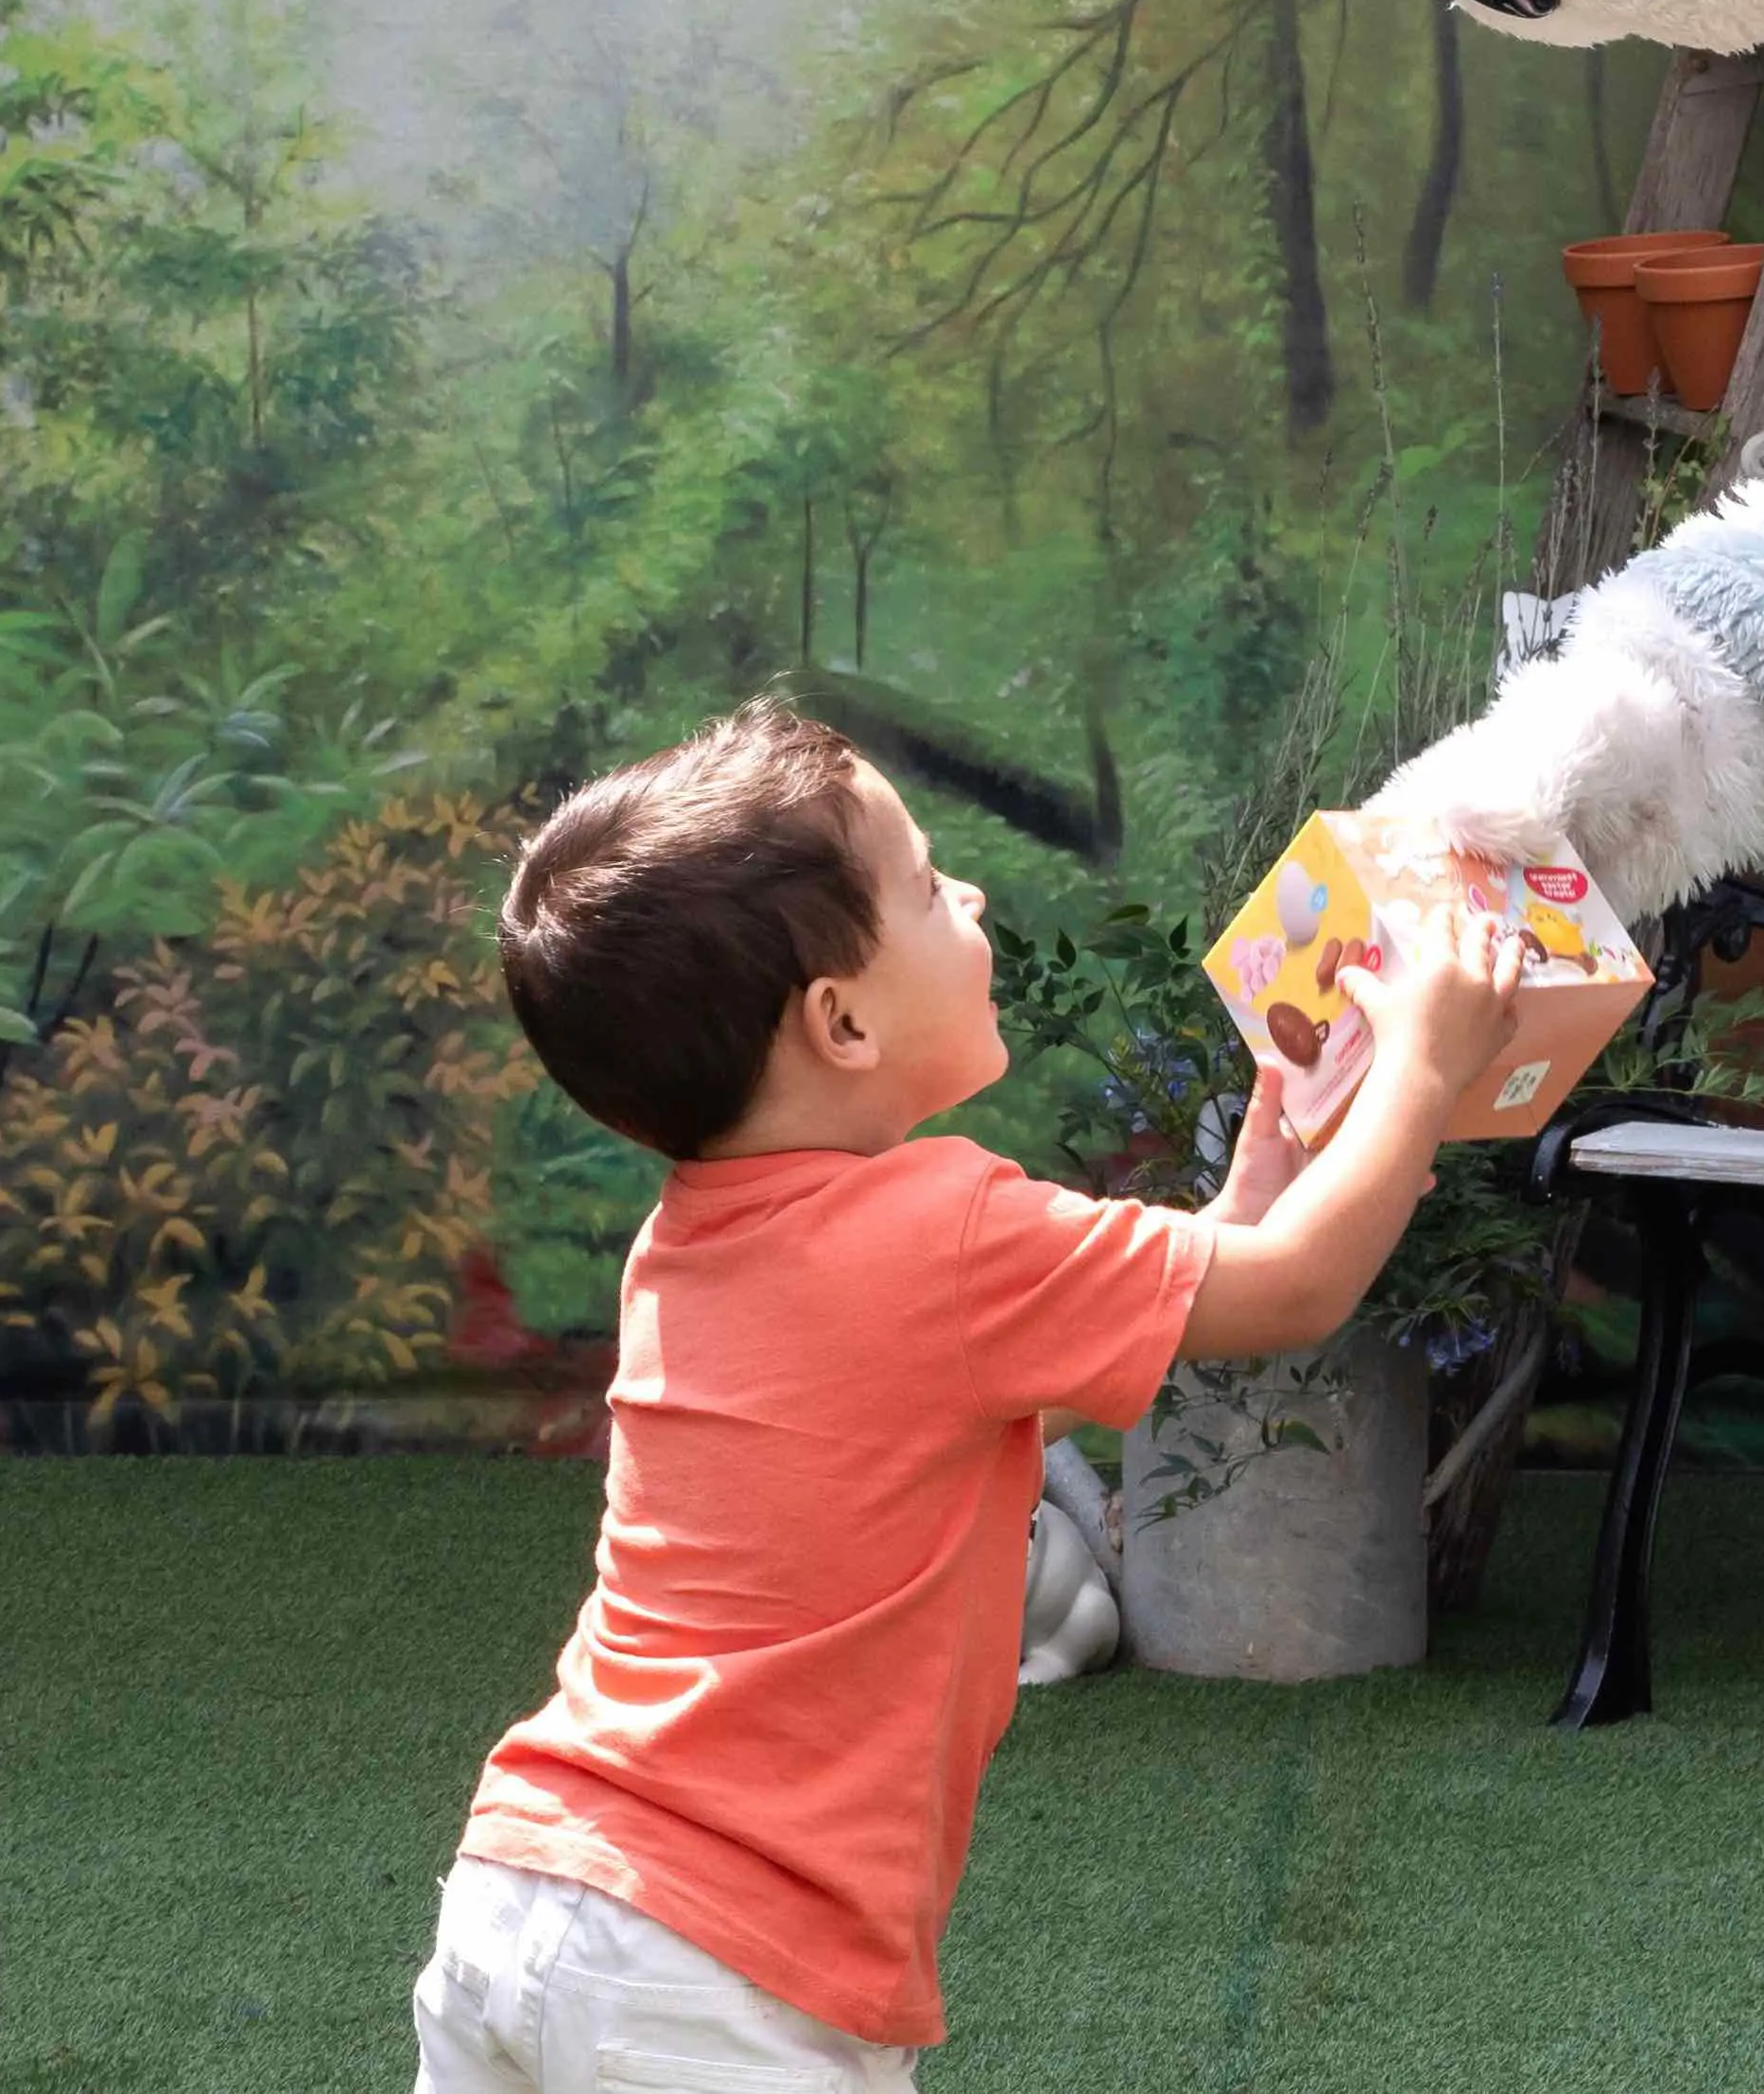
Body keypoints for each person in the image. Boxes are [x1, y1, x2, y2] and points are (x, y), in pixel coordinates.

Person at [420, 701, 1526, 2094]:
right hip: (721, 1976)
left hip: (525, 1881)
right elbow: (1297, 1291)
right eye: (932, 884)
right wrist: (1422, 1069)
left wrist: (1250, 1186)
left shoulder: (686, 1245)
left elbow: (965, 1411)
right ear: (841, 1021)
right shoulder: (946, 1227)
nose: (976, 898)